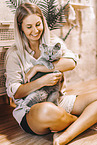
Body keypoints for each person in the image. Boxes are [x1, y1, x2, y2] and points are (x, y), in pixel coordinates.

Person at [5, 2, 97, 145]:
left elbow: (71, 62)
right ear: (20, 27)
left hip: (57, 100)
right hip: (32, 109)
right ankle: (80, 122)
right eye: (29, 27)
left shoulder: (52, 42)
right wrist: (42, 81)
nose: (35, 30)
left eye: (38, 24)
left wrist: (39, 68)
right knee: (47, 111)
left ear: (43, 22)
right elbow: (16, 93)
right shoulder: (14, 54)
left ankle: (65, 133)